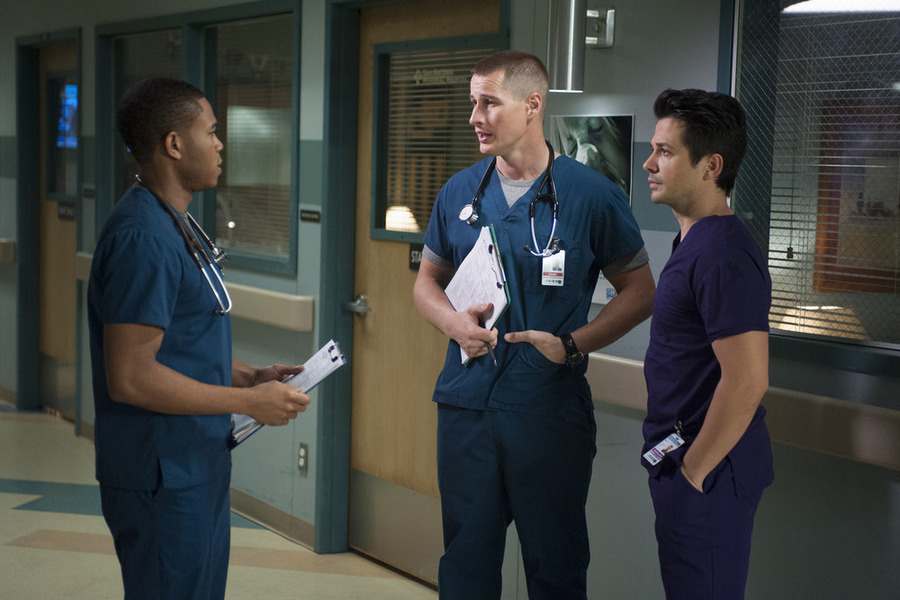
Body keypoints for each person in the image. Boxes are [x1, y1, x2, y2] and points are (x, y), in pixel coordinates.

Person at [413, 50, 655, 600]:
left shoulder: (592, 195)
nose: (474, 116)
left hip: (547, 409)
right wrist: (452, 323)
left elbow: (640, 291)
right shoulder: (458, 193)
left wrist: (573, 344)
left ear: (532, 105)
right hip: (467, 407)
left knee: (556, 567)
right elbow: (425, 284)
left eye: (488, 103)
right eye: (472, 103)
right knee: (466, 565)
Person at [88, 77, 311, 599]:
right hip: (160, 471)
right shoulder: (141, 236)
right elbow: (131, 376)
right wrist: (247, 401)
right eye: (210, 131)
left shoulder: (173, 223)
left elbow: (174, 346)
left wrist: (249, 375)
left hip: (194, 461)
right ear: (174, 144)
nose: (220, 144)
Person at [640, 88, 774, 599]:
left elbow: (748, 380)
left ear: (710, 166)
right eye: (654, 150)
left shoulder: (721, 253)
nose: (650, 163)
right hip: (686, 465)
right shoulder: (693, 241)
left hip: (709, 475)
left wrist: (693, 474)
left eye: (666, 152)